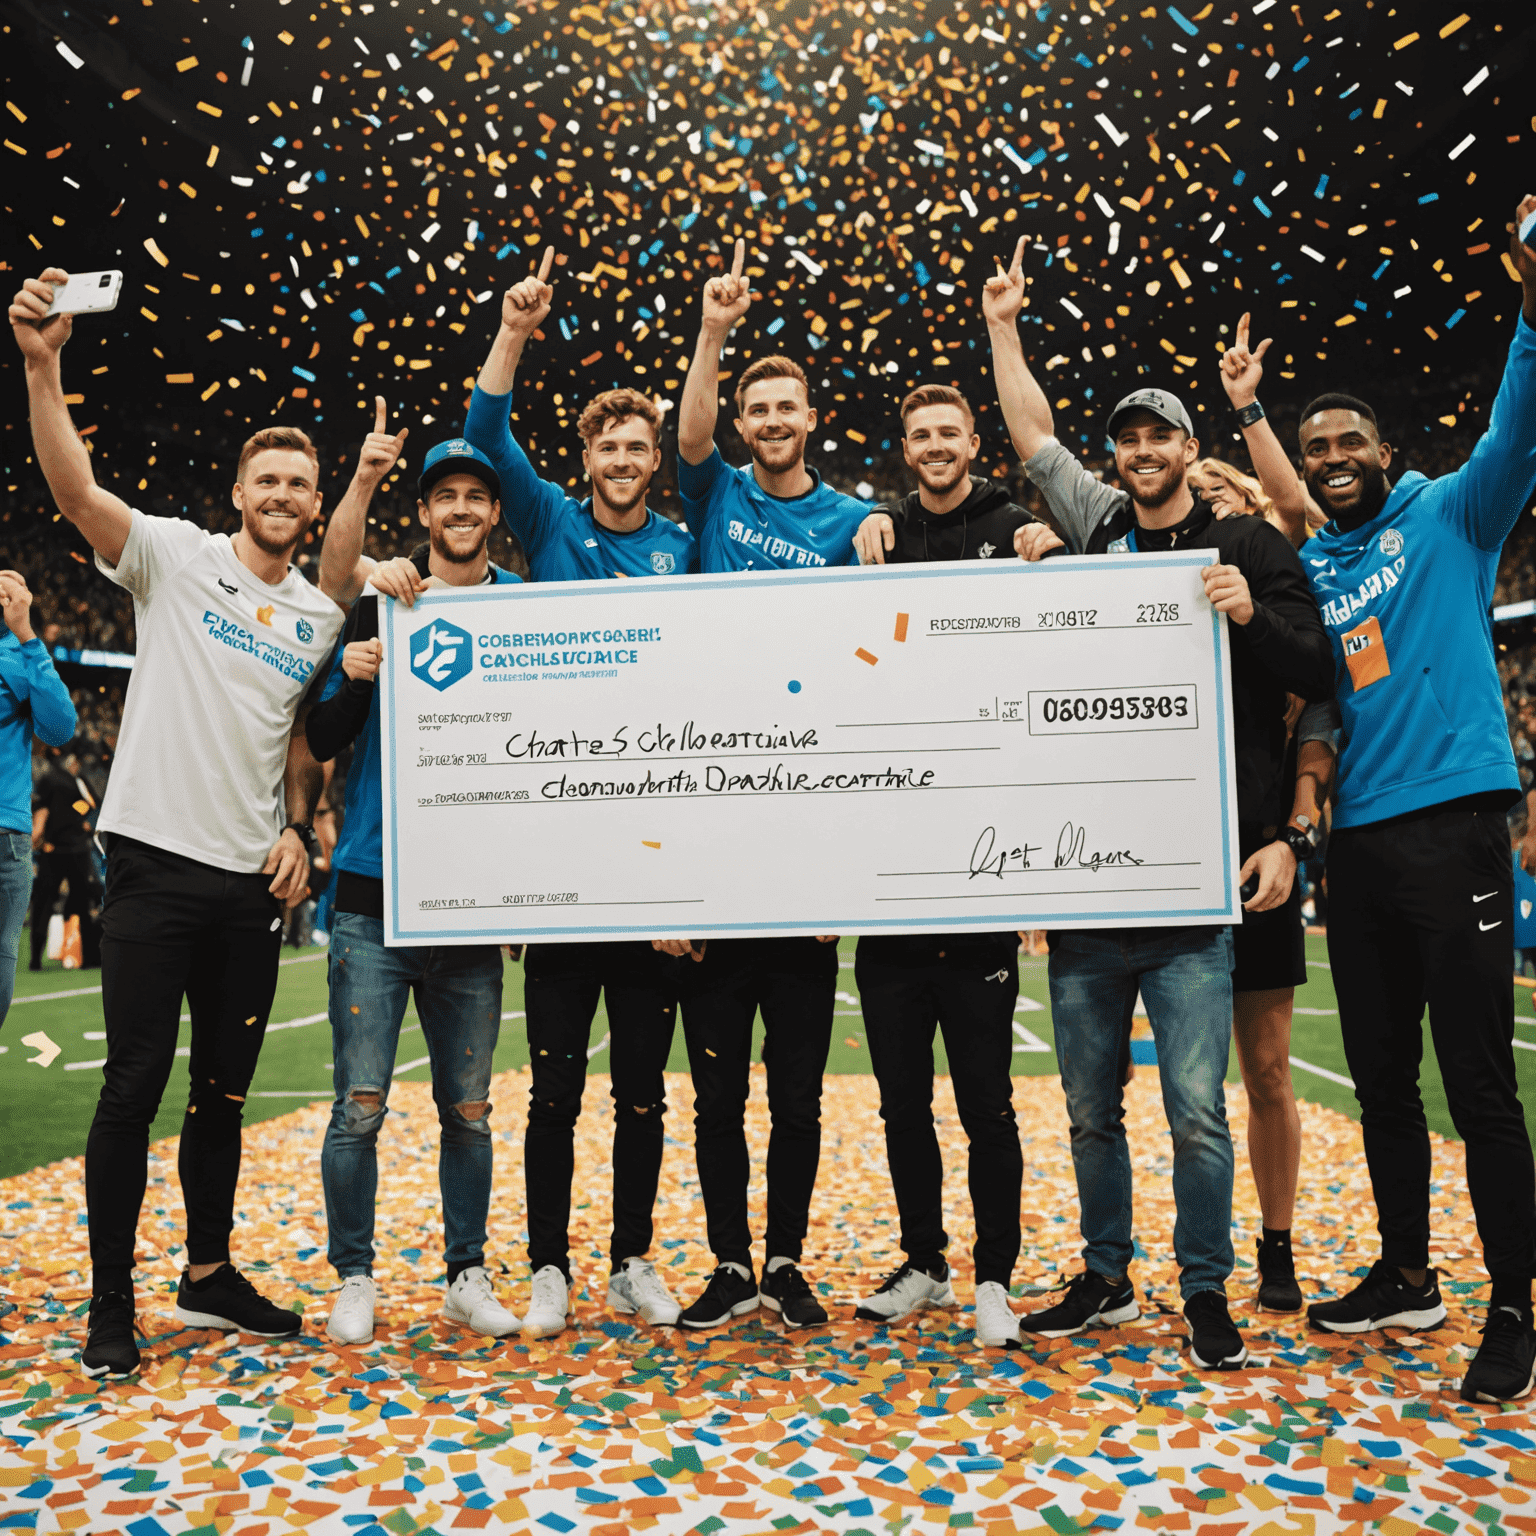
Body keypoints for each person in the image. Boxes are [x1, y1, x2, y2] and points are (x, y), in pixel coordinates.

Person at [985, 237, 1334, 1370]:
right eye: (1125, 439)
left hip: (1195, 889)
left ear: (1191, 449)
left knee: (1196, 1111)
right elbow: (1036, 439)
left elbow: (1316, 670)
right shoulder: (1092, 534)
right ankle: (1105, 1276)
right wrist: (1004, 329)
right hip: (1091, 890)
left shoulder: (1240, 541)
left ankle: (1206, 1291)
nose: (1139, 453)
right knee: (1090, 1111)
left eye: (1157, 437)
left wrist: (1248, 612)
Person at [11, 266, 349, 1380]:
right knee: (132, 1085)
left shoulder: (316, 617)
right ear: (240, 488)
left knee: (225, 1093)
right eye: (269, 476)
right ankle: (112, 1302)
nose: (284, 493)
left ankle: (207, 1278)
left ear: (315, 499)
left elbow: (299, 742)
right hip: (154, 868)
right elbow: (74, 494)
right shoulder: (175, 557)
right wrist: (43, 366)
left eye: (301, 482)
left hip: (252, 884)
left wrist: (302, 827)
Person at [1241, 195, 1536, 1404]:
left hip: (1457, 826)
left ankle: (1513, 1307)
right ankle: (1409, 1272)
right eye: (1315, 456)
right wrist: (1253, 416)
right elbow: (1287, 517)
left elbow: (1522, 419)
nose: (1331, 464)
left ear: (1385, 447)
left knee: (1477, 1078)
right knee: (1379, 1076)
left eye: (1347, 444)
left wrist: (1529, 291)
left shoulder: (1458, 513)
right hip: (1352, 850)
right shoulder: (1317, 565)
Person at [461, 249, 695, 1339]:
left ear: (654, 460)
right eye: (608, 444)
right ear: (586, 455)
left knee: (642, 1092)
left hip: (649, 864)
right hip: (561, 867)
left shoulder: (685, 550)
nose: (623, 459)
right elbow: (486, 430)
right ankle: (549, 1264)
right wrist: (514, 330)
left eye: (639, 446)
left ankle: (630, 1259)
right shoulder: (550, 524)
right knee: (554, 1086)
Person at [659, 237, 871, 1330]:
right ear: (746, 428)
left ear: (811, 420)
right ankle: (730, 1263)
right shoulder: (716, 490)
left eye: (790, 408)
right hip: (707, 833)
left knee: (794, 1088)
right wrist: (715, 332)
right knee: (716, 1090)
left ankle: (786, 1260)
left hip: (802, 839)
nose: (774, 423)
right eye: (760, 410)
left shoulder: (849, 522)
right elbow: (684, 430)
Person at [307, 406, 523, 1346]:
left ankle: (464, 1272)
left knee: (468, 1111)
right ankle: (354, 1273)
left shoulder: (528, 609)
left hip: (473, 902)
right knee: (359, 1105)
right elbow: (316, 739)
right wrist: (355, 673)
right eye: (448, 498)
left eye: (478, 496)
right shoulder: (380, 601)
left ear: (494, 513)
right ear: (427, 513)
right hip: (372, 896)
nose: (464, 510)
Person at [842, 383, 1050, 1348]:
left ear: (974, 442)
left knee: (987, 1104)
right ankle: (925, 1260)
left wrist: (1060, 560)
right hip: (888, 887)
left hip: (977, 887)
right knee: (901, 1105)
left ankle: (994, 1277)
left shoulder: (1014, 529)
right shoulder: (877, 538)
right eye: (918, 435)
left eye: (948, 434)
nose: (933, 447)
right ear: (908, 447)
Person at [1, 568, 76, 1024]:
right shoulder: (17, 656)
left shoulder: (17, 654)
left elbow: (59, 728)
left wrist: (24, 634)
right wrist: (25, 635)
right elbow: (60, 728)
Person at [31, 743, 98, 972]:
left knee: (43, 904)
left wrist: (39, 836)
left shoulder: (48, 780)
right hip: (76, 848)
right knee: (81, 903)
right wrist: (75, 815)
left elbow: (40, 809)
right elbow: (90, 804)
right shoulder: (75, 781)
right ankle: (88, 958)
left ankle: (35, 959)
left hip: (53, 848)